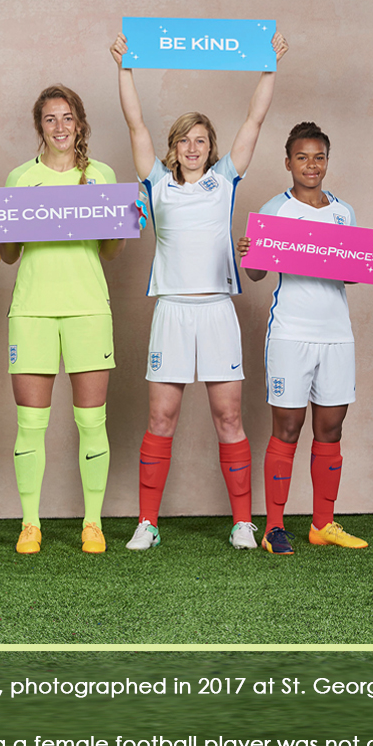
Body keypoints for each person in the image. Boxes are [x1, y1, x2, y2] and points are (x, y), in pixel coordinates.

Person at [111, 30, 288, 553]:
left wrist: (268, 68)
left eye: (202, 140)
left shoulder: (226, 180)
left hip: (216, 312)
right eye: (185, 139)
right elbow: (135, 123)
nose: (193, 147)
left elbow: (254, 122)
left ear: (211, 149)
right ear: (174, 147)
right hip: (171, 311)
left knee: (228, 417)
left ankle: (241, 522)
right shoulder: (156, 182)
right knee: (160, 418)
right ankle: (148, 522)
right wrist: (125, 67)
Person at [236, 121, 373, 552]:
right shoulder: (275, 209)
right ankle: (274, 527)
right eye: (303, 157)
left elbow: (348, 274)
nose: (312, 165)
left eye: (319, 157)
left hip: (336, 335)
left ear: (327, 161)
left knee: (330, 428)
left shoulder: (342, 211)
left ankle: (322, 523)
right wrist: (248, 252)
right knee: (288, 428)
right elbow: (256, 272)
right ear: (288, 161)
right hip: (291, 333)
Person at [0, 85, 125, 554]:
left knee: (92, 421)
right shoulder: (19, 178)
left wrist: (123, 223)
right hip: (32, 309)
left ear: (80, 123)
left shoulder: (102, 176)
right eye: (50, 119)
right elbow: (9, 255)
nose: (59, 127)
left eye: (67, 117)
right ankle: (30, 523)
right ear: (39, 126)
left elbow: (112, 251)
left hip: (88, 307)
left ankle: (92, 522)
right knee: (31, 423)